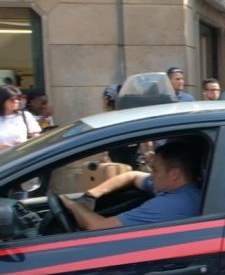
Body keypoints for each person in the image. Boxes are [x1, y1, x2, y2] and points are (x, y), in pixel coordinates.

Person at [61, 141, 203, 230]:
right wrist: (92, 195)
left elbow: (98, 227)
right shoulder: (173, 188)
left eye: (155, 169)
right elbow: (132, 176)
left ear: (174, 174)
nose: (151, 175)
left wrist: (74, 205)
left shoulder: (173, 204)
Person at [0, 85, 41, 150]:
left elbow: (36, 138)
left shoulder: (24, 116)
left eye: (18, 99)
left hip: (21, 155)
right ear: (2, 101)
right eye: (12, 100)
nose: (16, 101)